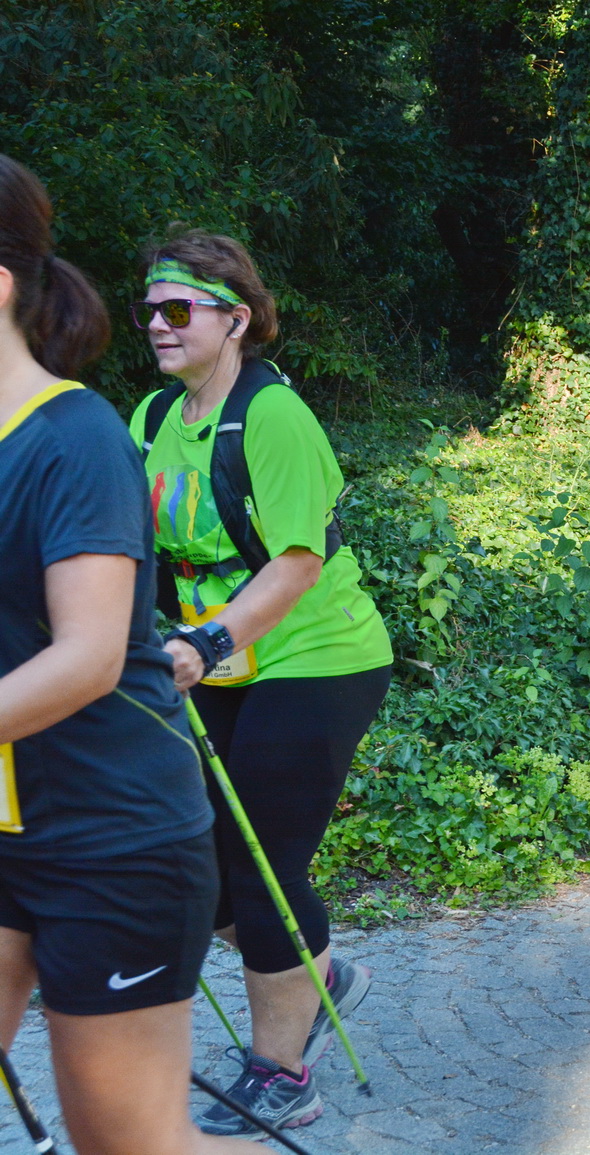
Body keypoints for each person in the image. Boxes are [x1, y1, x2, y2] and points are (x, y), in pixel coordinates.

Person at [0, 155, 267, 1154]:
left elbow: (88, 657)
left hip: (111, 838)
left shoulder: (71, 438)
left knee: (131, 1143)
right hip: (8, 819)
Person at [130, 229, 393, 1137]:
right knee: (203, 866)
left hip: (319, 655)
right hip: (216, 658)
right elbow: (126, 543)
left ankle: (283, 1071)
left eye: (178, 309)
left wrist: (204, 639)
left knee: (264, 865)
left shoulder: (272, 416)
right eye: (149, 309)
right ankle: (319, 976)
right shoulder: (151, 419)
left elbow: (297, 562)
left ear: (236, 319)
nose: (158, 324)